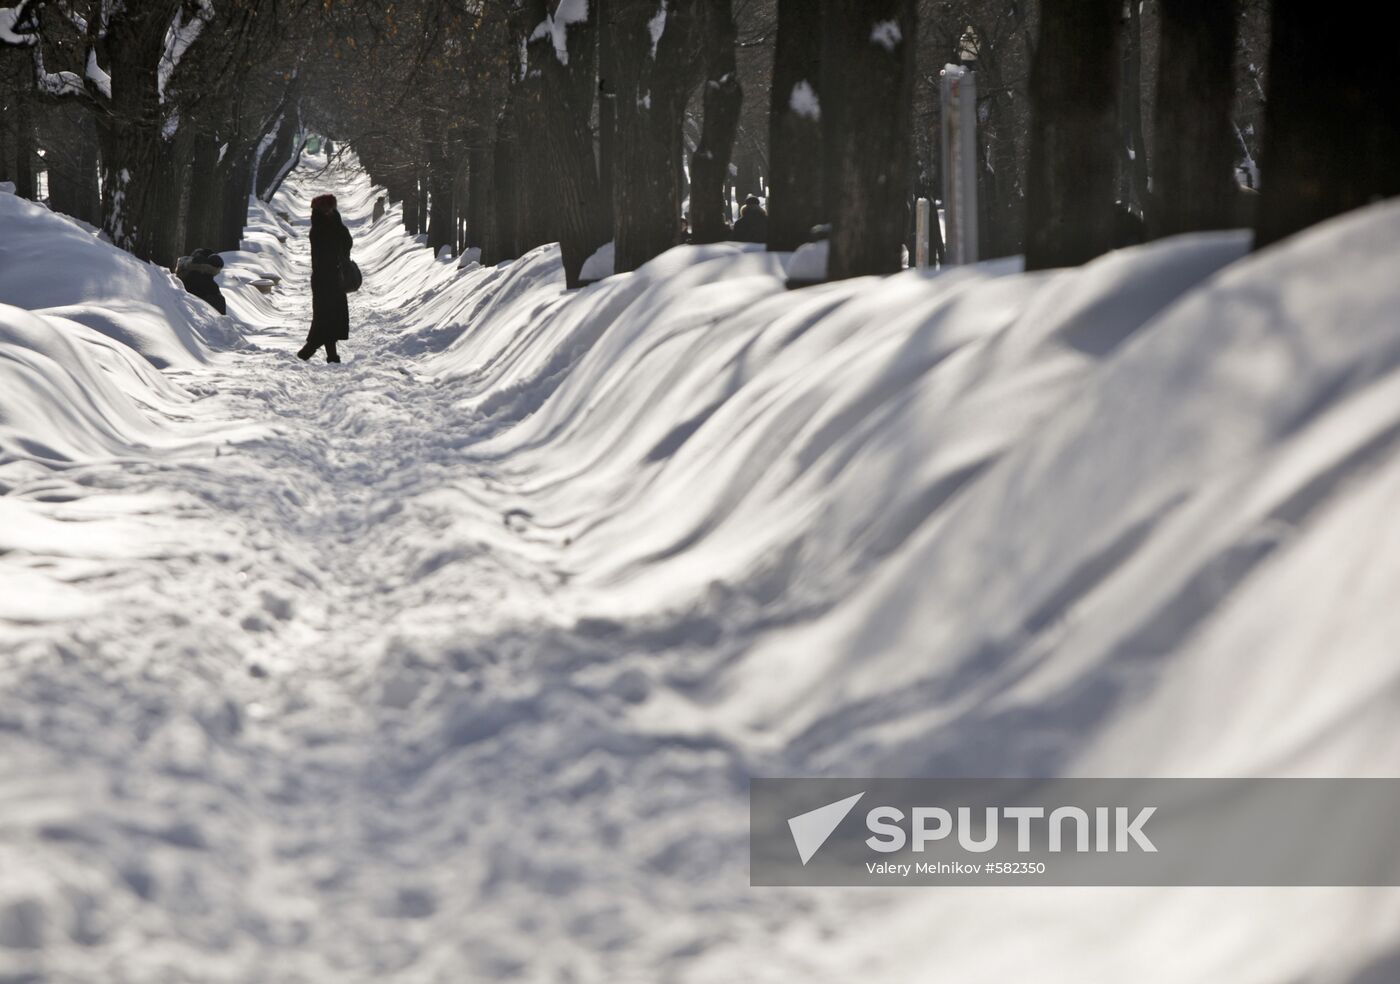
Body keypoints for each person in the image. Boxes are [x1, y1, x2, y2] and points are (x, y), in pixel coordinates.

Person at [298, 193, 353, 363]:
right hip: (324, 279)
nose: (330, 211)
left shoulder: (334, 224)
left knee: (331, 317)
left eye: (332, 208)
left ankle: (331, 356)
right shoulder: (320, 228)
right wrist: (338, 227)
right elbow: (334, 247)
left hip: (334, 278)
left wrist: (338, 224)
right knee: (324, 317)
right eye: (328, 209)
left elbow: (346, 243)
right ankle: (308, 350)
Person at [176, 248, 227, 315]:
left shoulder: (193, 267)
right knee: (219, 300)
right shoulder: (201, 273)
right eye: (218, 269)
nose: (219, 272)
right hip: (193, 299)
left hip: (191, 294)